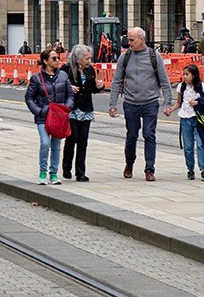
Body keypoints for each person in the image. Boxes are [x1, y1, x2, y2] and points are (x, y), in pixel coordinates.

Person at [109, 27, 173, 182]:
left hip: (150, 102)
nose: (128, 43)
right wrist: (113, 104)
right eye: (128, 40)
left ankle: (149, 169)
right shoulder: (125, 57)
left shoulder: (153, 56)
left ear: (141, 39)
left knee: (149, 135)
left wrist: (167, 103)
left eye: (132, 40)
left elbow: (164, 80)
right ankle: (129, 163)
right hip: (131, 103)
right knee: (131, 135)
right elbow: (117, 81)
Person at [25, 48, 74, 185]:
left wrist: (66, 108)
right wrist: (39, 111)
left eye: (58, 58)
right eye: (54, 58)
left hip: (59, 117)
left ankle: (53, 173)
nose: (57, 61)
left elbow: (70, 94)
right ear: (45, 61)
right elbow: (29, 98)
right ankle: (42, 172)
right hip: (43, 116)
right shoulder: (36, 78)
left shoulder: (63, 76)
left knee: (56, 145)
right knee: (45, 143)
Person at [61, 45, 104, 181]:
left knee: (83, 140)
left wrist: (99, 87)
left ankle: (80, 172)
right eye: (87, 58)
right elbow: (57, 85)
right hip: (72, 108)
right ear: (77, 59)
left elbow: (91, 88)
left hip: (86, 108)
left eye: (90, 58)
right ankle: (66, 167)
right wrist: (68, 87)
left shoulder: (90, 70)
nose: (89, 61)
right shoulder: (66, 69)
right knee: (72, 138)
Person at [169, 63, 204, 181]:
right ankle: (190, 169)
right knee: (188, 146)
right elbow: (179, 103)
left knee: (200, 144)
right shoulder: (181, 87)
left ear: (194, 75)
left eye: (187, 74)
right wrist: (170, 110)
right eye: (183, 74)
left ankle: (203, 169)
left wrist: (198, 103)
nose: (184, 76)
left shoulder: (202, 86)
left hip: (199, 119)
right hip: (185, 118)